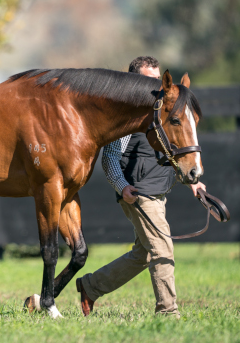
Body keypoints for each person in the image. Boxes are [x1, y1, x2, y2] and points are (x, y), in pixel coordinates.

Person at [76, 56, 206, 318]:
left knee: (143, 254)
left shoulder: (162, 113)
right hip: (138, 193)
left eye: (157, 79)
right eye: (148, 80)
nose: (155, 86)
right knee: (162, 249)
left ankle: (90, 286)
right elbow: (111, 157)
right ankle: (168, 312)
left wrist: (193, 181)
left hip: (159, 191)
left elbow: (175, 154)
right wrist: (122, 186)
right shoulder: (127, 117)